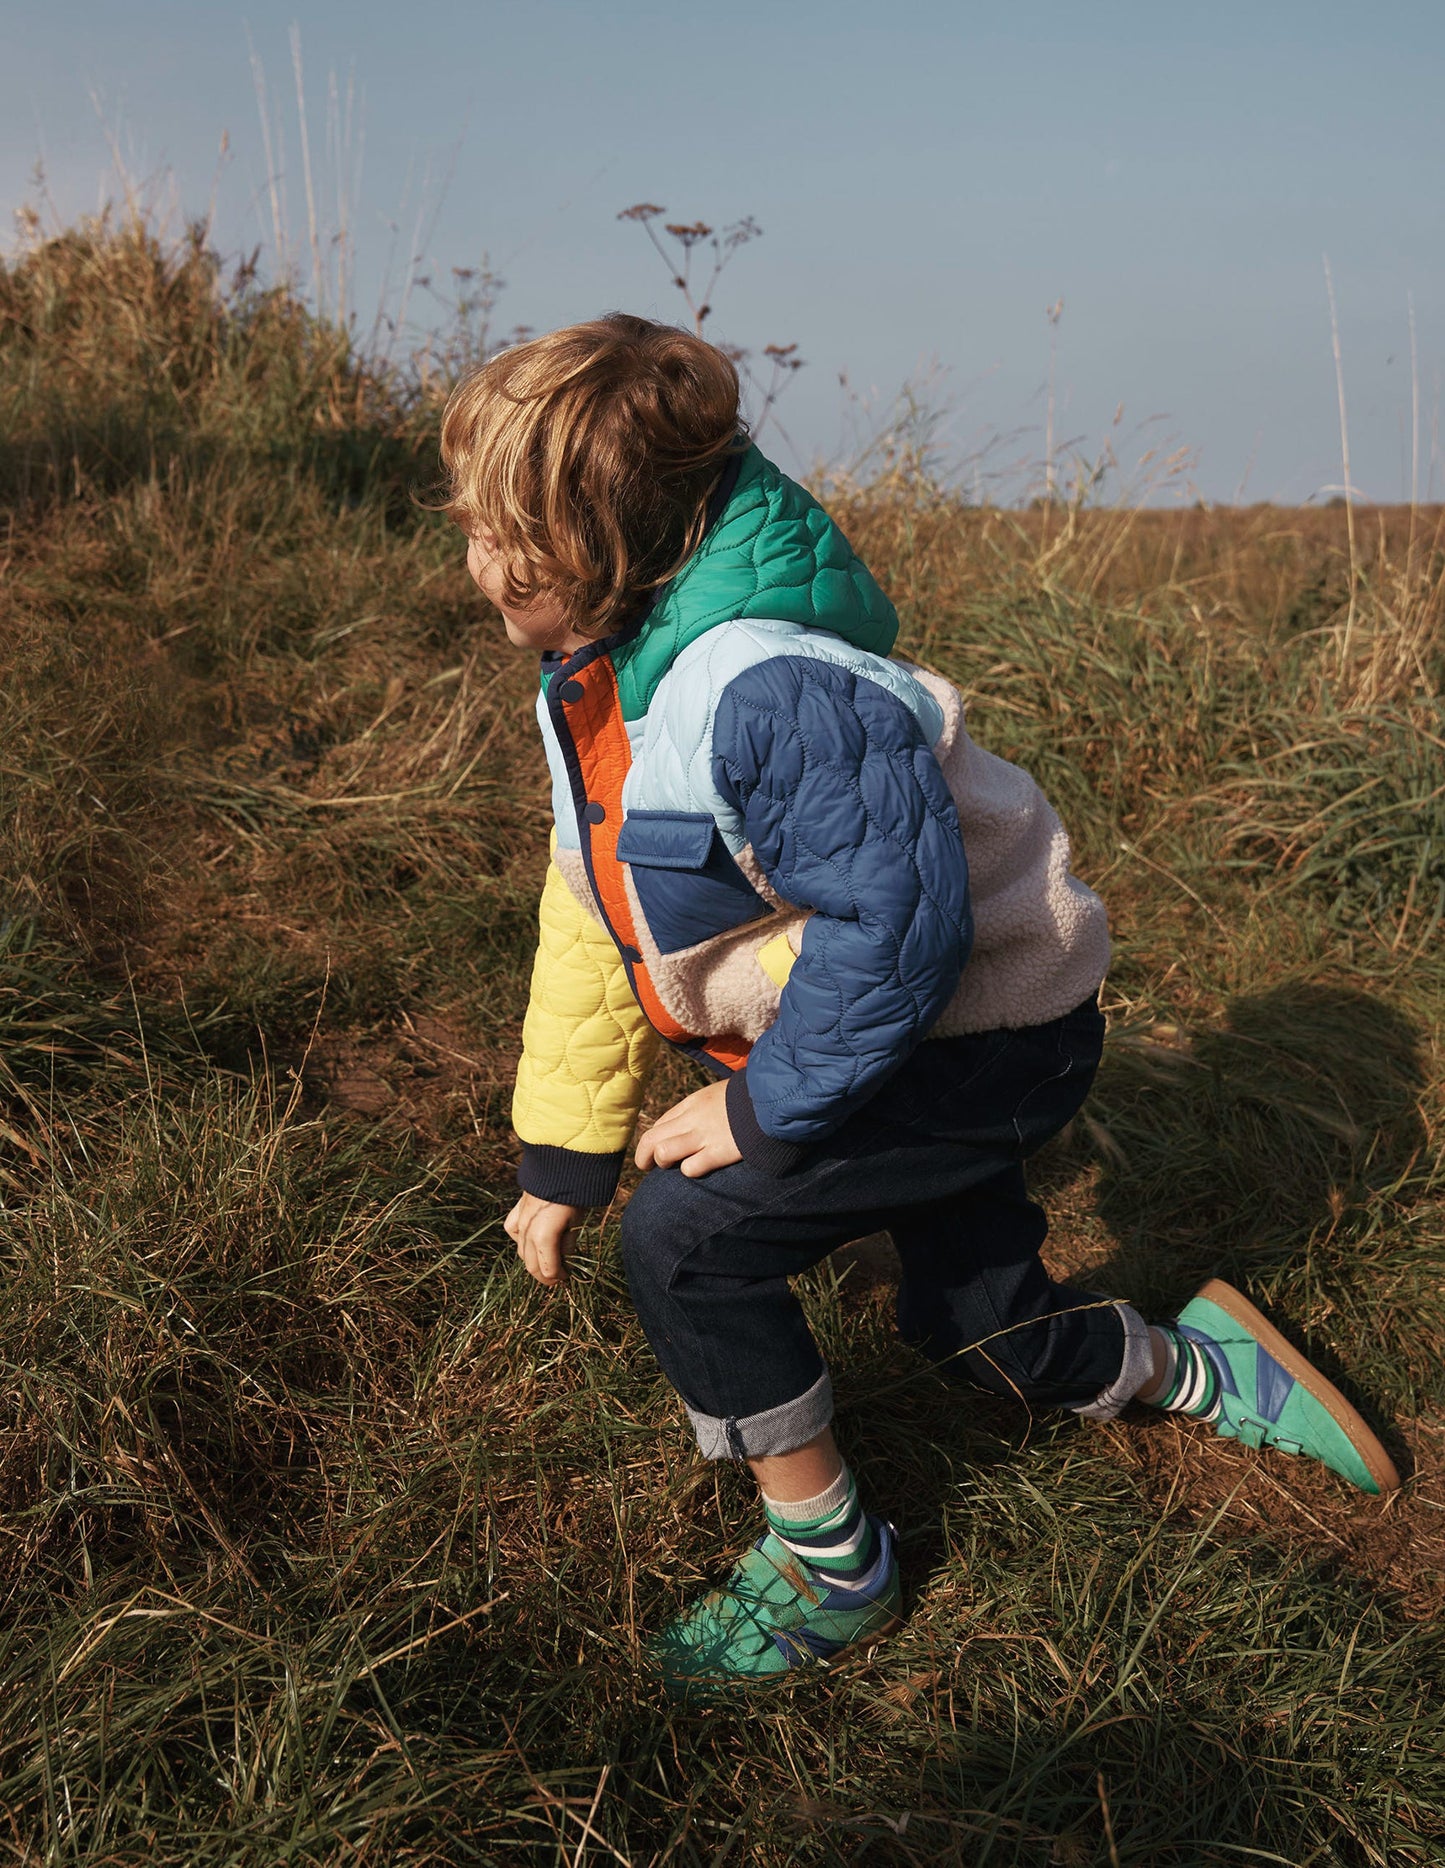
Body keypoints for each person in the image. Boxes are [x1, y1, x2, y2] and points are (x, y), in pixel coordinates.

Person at [438, 314, 1399, 1691]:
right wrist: (562, 1148)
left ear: (605, 545)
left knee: (695, 1238)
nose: (474, 570)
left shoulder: (763, 691)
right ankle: (1186, 1363)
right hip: (882, 1030)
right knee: (978, 1328)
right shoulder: (598, 677)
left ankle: (832, 1569)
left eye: (503, 543)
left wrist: (766, 1112)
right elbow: (588, 908)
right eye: (470, 528)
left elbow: (902, 930)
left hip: (979, 1036)